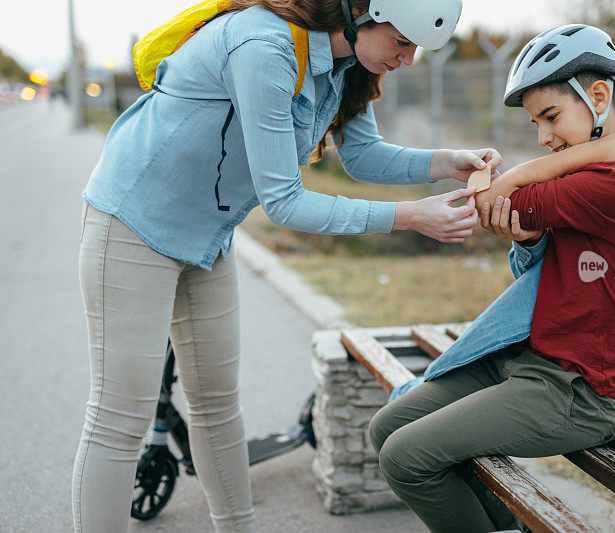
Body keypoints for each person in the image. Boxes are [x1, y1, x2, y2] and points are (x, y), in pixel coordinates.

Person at [71, 0, 496, 530]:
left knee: (217, 406)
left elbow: (363, 157)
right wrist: (410, 217)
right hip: (133, 222)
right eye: (403, 42)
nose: (409, 59)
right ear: (360, 13)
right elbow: (284, 202)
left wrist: (445, 163)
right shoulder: (264, 46)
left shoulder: (346, 65)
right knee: (120, 418)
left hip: (208, 237)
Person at [369, 24, 615, 533]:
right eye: (535, 124)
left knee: (404, 457)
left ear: (598, 97)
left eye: (551, 117)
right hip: (527, 360)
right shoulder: (591, 167)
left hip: (581, 392)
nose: (545, 137)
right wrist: (586, 153)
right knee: (388, 425)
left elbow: (488, 200)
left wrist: (590, 156)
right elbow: (538, 255)